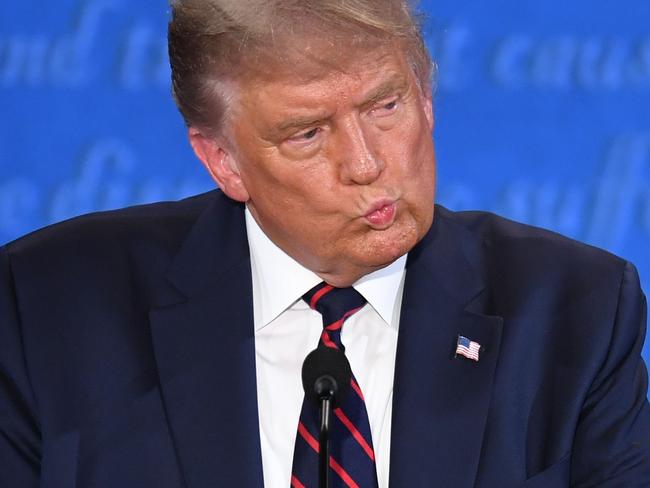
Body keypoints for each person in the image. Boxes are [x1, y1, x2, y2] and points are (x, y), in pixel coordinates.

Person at [1, 0, 649, 486]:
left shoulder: (575, 311)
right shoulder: (45, 310)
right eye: (308, 134)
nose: (366, 164)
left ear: (426, 96)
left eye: (385, 106)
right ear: (222, 160)